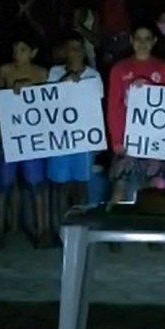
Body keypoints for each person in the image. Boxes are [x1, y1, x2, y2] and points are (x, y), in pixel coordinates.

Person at [106, 22, 165, 203]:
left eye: (147, 39)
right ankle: (116, 230)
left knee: (155, 191)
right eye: (138, 39)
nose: (142, 43)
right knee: (120, 192)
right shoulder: (119, 69)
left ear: (154, 41)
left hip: (156, 142)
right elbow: (114, 106)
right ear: (131, 40)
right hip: (128, 140)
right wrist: (116, 140)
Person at [0, 34, 49, 247]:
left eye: (23, 49)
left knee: (37, 185)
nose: (18, 53)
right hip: (10, 134)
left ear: (34, 53)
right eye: (16, 48)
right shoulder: (5, 71)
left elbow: (50, 102)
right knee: (3, 185)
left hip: (33, 136)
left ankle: (42, 230)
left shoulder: (41, 73)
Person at [45, 33, 103, 225]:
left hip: (83, 138)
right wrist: (67, 79)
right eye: (71, 48)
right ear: (64, 52)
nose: (76, 52)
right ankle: (60, 228)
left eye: (79, 48)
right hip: (60, 138)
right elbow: (49, 100)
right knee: (61, 186)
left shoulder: (94, 75)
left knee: (80, 185)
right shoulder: (54, 73)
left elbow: (98, 107)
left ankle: (80, 226)